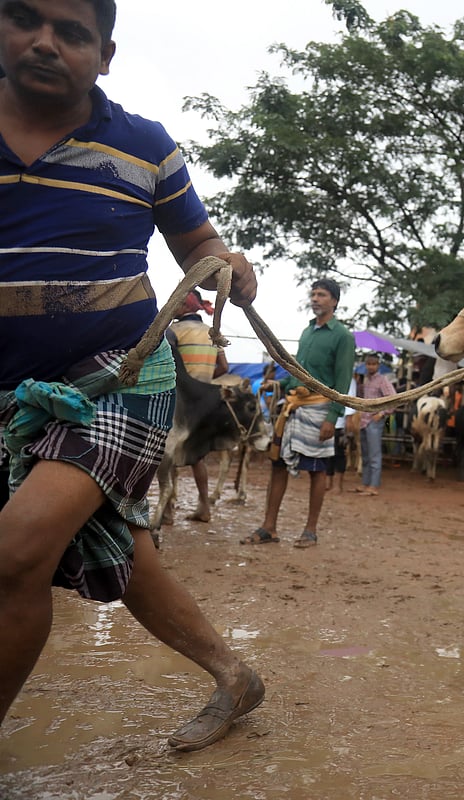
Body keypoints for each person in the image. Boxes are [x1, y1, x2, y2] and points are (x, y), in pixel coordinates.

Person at [0, 0, 263, 751]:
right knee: (115, 542)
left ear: (103, 54)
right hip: (14, 393)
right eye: (25, 19)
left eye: (73, 32)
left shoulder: (145, 147)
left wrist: (230, 269)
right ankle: (233, 673)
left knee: (18, 547)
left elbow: (202, 248)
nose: (46, 42)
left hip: (121, 375)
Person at [244, 278, 354, 548]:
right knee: (277, 465)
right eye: (314, 294)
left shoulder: (343, 336)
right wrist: (278, 384)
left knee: (317, 471)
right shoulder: (307, 332)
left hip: (319, 410)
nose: (316, 298)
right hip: (291, 409)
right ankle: (269, 527)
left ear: (335, 302)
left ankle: (310, 531)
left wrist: (333, 417)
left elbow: (342, 383)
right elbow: (298, 375)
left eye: (322, 295)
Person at [166, 289, 229, 523]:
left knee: (169, 455)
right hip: (204, 403)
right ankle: (204, 506)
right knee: (197, 455)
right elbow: (223, 367)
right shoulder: (213, 333)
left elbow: (166, 366)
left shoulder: (172, 331)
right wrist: (202, 382)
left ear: (183, 306)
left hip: (178, 401)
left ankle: (168, 510)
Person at [355, 352, 396, 496]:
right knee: (365, 454)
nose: (371, 366)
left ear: (378, 365)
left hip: (374, 420)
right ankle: (365, 483)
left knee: (374, 454)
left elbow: (393, 399)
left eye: (373, 364)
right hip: (364, 421)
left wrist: (382, 413)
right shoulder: (366, 381)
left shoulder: (383, 380)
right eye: (368, 364)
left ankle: (374, 485)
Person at [325, 375, 358, 494]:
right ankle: (328, 482)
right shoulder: (328, 376)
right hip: (326, 420)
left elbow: (350, 399)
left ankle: (338, 485)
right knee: (327, 453)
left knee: (339, 453)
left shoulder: (349, 380)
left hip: (340, 422)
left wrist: (349, 419)